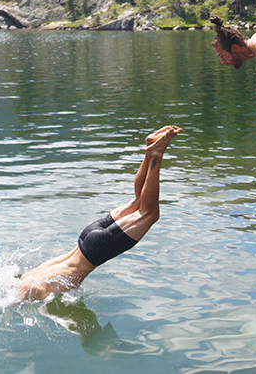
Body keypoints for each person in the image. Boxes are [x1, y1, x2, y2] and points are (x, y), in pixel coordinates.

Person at [16, 125, 181, 300]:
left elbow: (12, 301)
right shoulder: (27, 277)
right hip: (84, 239)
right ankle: (149, 152)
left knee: (149, 214)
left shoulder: (32, 287)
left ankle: (155, 155)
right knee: (139, 202)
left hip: (93, 250)